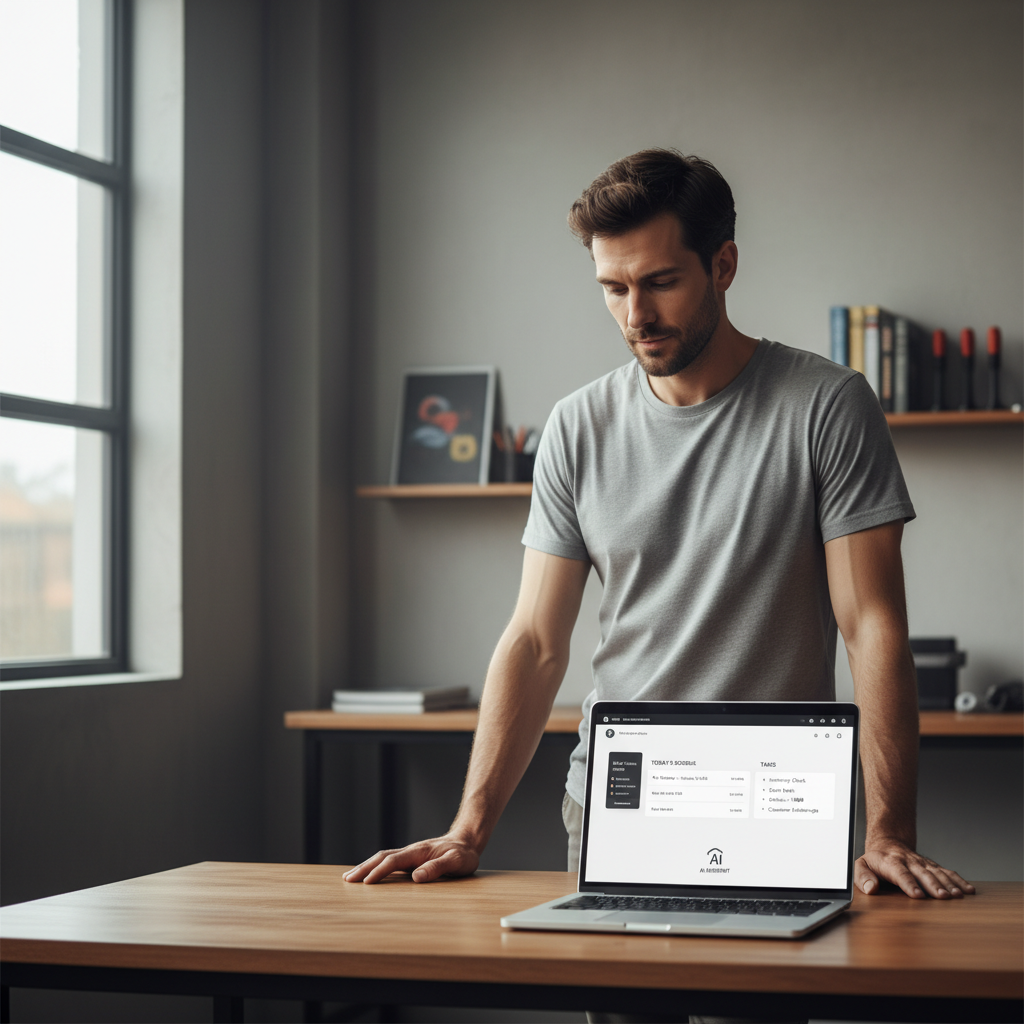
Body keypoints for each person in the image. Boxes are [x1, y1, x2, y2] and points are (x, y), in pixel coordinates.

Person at [344, 149, 973, 910]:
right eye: (612, 289)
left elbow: (871, 624)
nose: (635, 315)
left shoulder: (828, 405)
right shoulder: (577, 427)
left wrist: (888, 831)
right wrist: (467, 829)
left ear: (724, 265)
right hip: (617, 798)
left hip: (771, 800)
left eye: (660, 283)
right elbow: (537, 641)